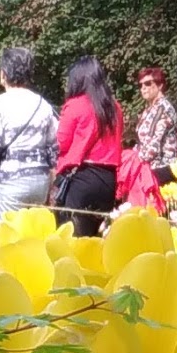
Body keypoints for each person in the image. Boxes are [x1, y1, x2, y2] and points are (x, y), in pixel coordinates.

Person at [50, 54, 127, 235]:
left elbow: (60, 143)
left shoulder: (76, 105)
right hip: (108, 180)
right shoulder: (115, 108)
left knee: (72, 238)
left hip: (82, 178)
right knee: (95, 240)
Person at [0, 44, 59, 221]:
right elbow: (54, 147)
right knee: (33, 231)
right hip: (39, 181)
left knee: (9, 232)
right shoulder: (43, 104)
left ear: (4, 74)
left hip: (9, 180)